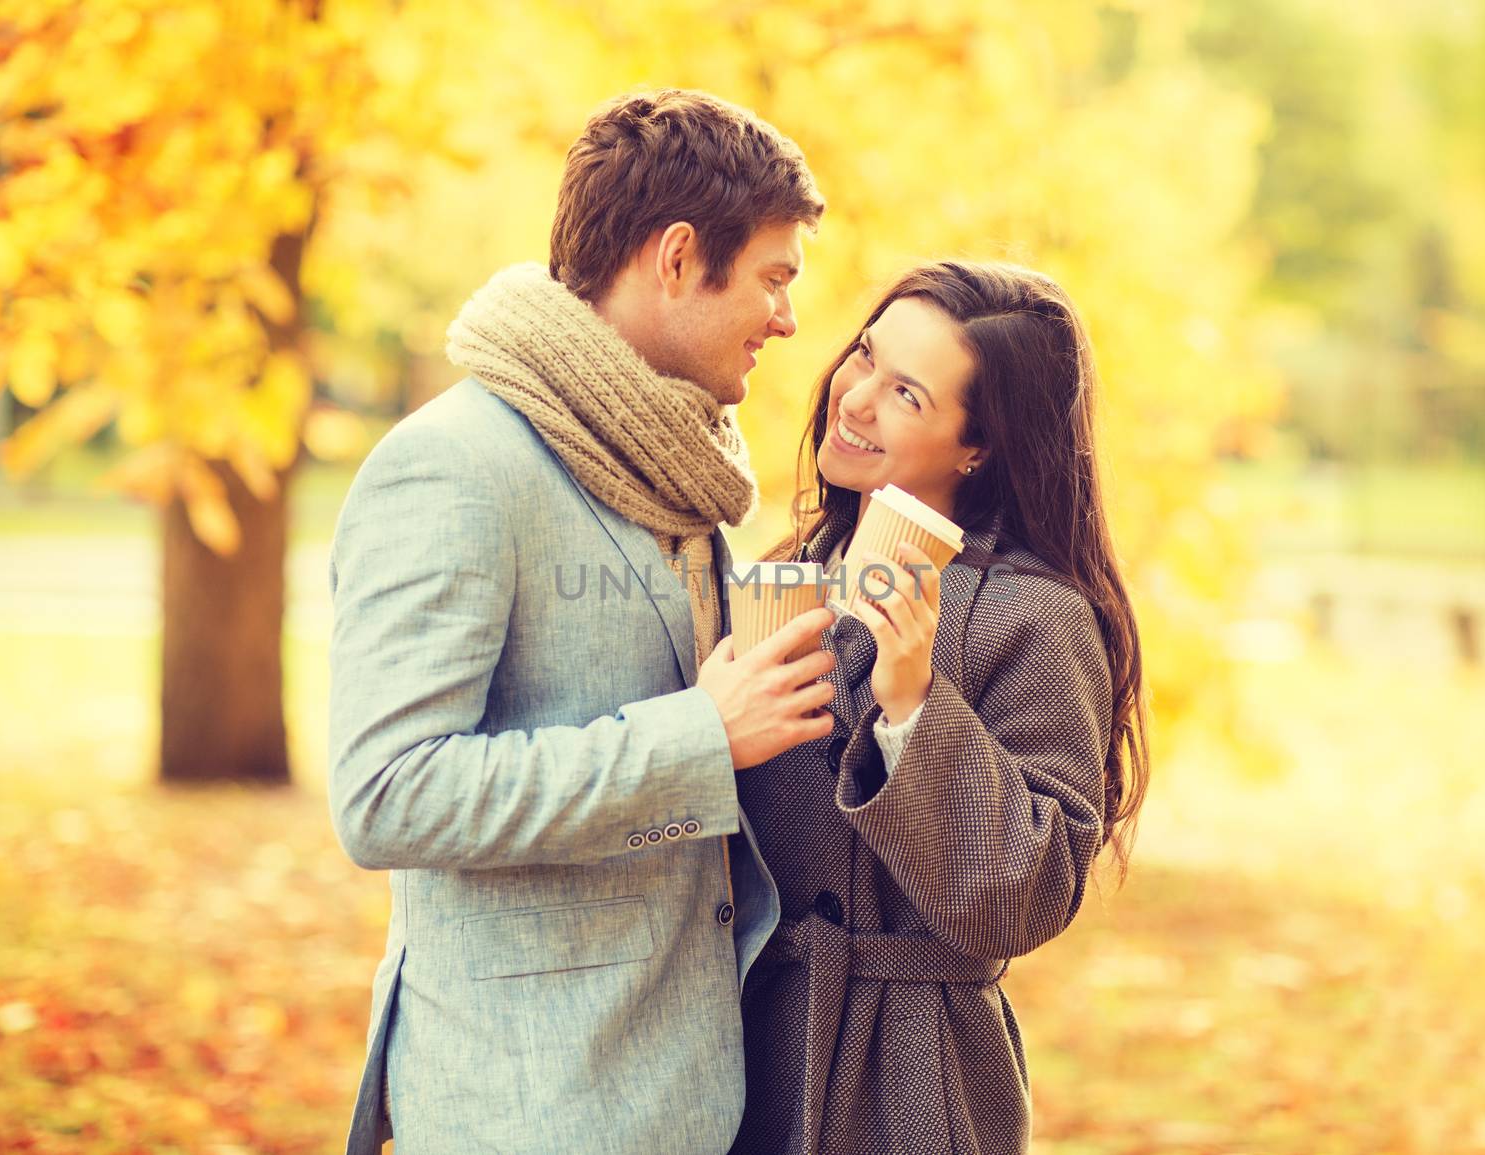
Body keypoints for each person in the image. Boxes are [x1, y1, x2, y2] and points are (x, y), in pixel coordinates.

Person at [326, 89, 832, 1155]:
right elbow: (386, 794)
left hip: (697, 1095)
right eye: (774, 280)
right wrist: (699, 739)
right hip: (526, 1108)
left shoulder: (675, 465)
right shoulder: (454, 468)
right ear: (680, 257)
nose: (788, 318)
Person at [726, 261, 1152, 1155]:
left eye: (907, 394)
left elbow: (1024, 898)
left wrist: (914, 700)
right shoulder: (791, 563)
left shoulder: (1038, 614)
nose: (856, 398)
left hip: (915, 1082)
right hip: (743, 1052)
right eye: (865, 358)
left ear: (978, 446)